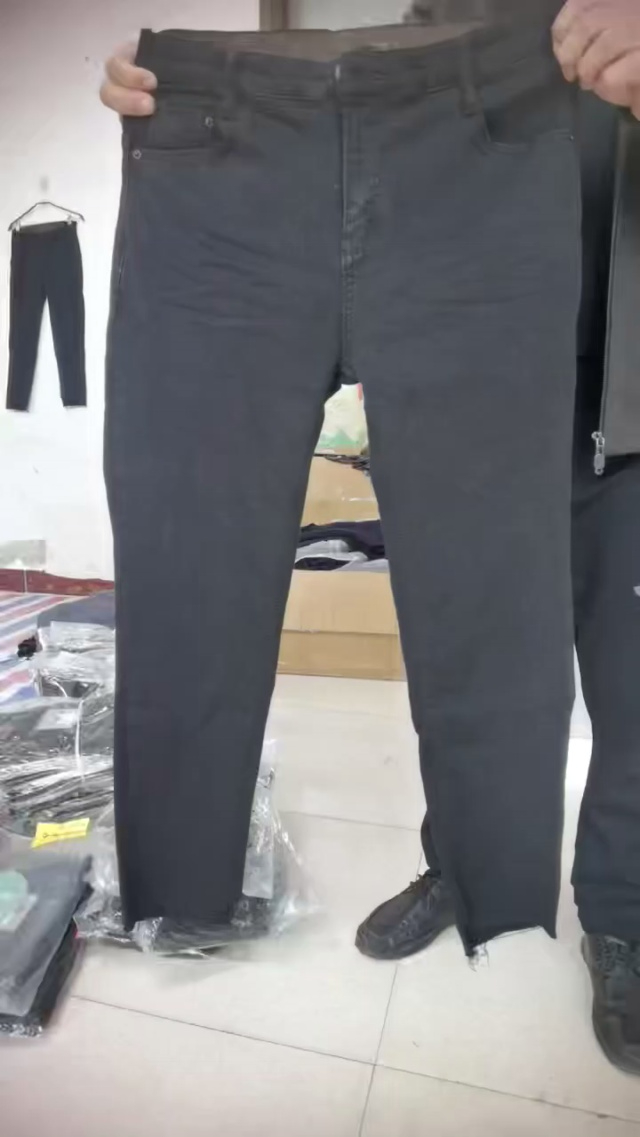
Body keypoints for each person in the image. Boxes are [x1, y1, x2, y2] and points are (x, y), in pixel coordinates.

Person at [100, 0, 640, 1074]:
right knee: (238, 559)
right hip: (459, 198)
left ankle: (624, 913)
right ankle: (466, 858)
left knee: (615, 658)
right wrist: (206, 81)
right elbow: (408, 54)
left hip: (618, 335)